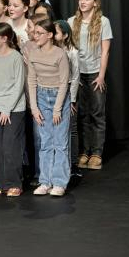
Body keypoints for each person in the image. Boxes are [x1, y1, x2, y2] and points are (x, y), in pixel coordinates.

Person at [68, 0, 112, 170]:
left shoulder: (103, 21)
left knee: (97, 115)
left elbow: (105, 51)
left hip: (94, 74)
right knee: (82, 115)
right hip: (77, 75)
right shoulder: (71, 21)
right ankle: (84, 152)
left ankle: (96, 152)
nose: (83, 2)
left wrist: (101, 75)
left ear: (95, 2)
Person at [27, 20, 71, 197]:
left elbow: (63, 82)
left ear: (50, 35)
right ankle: (45, 181)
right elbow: (31, 80)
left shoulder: (60, 54)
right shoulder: (33, 54)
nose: (35, 36)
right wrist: (34, 107)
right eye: (34, 33)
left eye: (39, 33)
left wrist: (58, 109)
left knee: (60, 142)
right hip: (41, 98)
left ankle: (59, 182)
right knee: (45, 142)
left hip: (58, 98)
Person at [0, 23, 26, 197]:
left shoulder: (16, 57)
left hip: (14, 108)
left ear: (4, 38)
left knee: (10, 146)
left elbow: (18, 86)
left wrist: (7, 109)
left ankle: (14, 183)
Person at [54, 20, 81, 177]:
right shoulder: (51, 50)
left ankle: (73, 164)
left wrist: (72, 100)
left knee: (71, 129)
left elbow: (76, 76)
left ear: (64, 35)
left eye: (56, 32)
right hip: (54, 89)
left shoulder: (72, 52)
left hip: (69, 90)